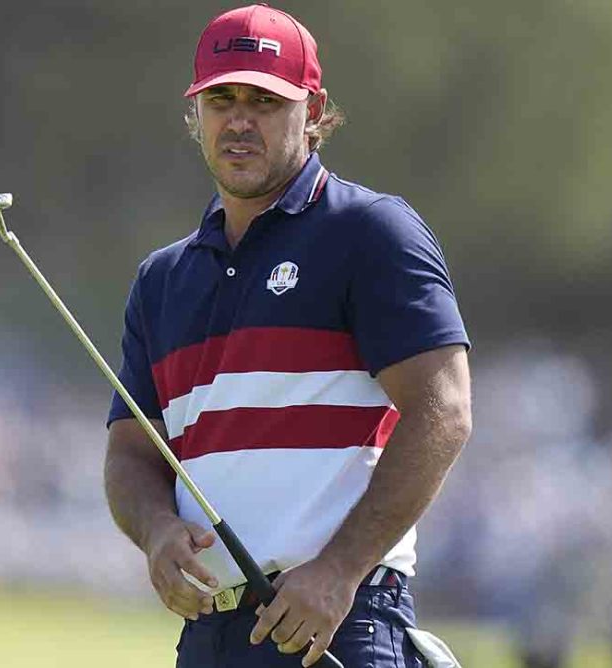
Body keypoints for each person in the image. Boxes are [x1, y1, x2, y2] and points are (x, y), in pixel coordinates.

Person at [103, 5, 472, 667]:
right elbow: (132, 454)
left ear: (314, 109)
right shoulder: (162, 280)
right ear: (197, 114)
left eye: (266, 100)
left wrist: (339, 569)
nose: (239, 119)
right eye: (222, 98)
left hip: (338, 622)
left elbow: (443, 410)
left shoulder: (371, 233)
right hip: (210, 635)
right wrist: (157, 531)